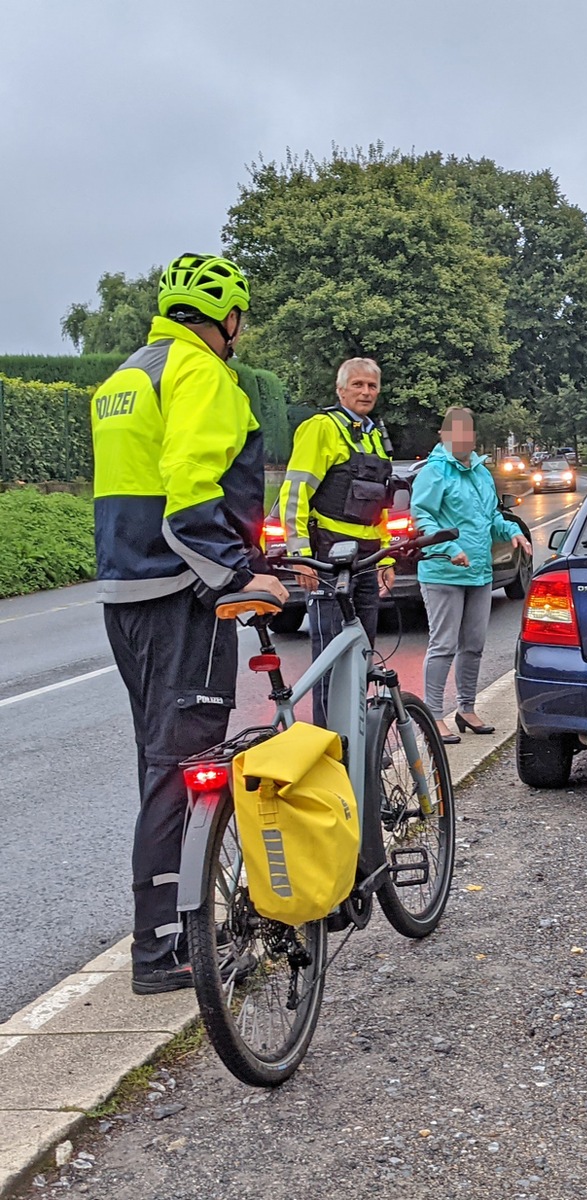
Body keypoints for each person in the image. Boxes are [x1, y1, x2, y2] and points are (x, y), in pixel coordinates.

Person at [92, 252, 288, 995]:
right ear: (227, 316)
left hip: (126, 593)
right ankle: (161, 952)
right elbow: (191, 497)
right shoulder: (202, 373)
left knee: (160, 767)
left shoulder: (125, 377)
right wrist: (239, 576)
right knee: (184, 772)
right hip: (182, 596)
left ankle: (161, 936)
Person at [278, 358, 395, 725]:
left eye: (371, 386)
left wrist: (387, 559)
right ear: (340, 389)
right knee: (329, 654)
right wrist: (300, 556)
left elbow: (381, 505)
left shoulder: (374, 434)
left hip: (366, 560)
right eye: (357, 385)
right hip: (329, 558)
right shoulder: (321, 429)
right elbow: (295, 492)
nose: (365, 392)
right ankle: (328, 741)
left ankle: (358, 740)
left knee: (362, 654)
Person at [411, 407, 531, 743]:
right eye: (455, 431)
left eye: (468, 432)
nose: (462, 438)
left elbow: (491, 516)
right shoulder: (434, 473)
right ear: (444, 435)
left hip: (479, 571)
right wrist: (451, 550)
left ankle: (467, 708)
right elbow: (424, 519)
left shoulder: (480, 472)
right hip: (443, 571)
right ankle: (434, 715)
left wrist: (512, 531)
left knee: (474, 645)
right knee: (444, 645)